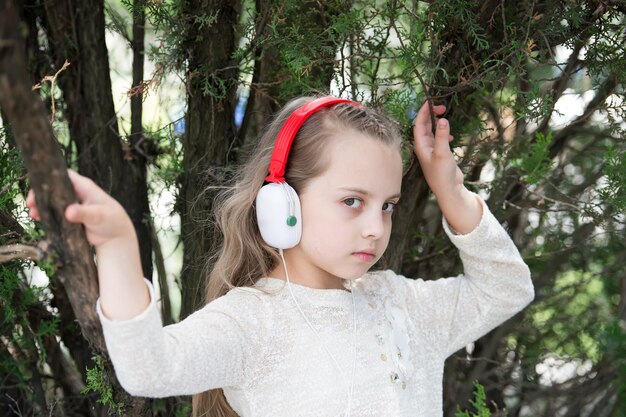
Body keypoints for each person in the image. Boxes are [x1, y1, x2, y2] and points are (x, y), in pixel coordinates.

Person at [27, 96, 535, 417]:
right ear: (282, 203)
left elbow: (507, 289)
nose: (375, 227)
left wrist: (449, 188)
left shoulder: (400, 303)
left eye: (389, 206)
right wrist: (117, 242)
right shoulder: (255, 321)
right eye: (352, 201)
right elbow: (148, 370)